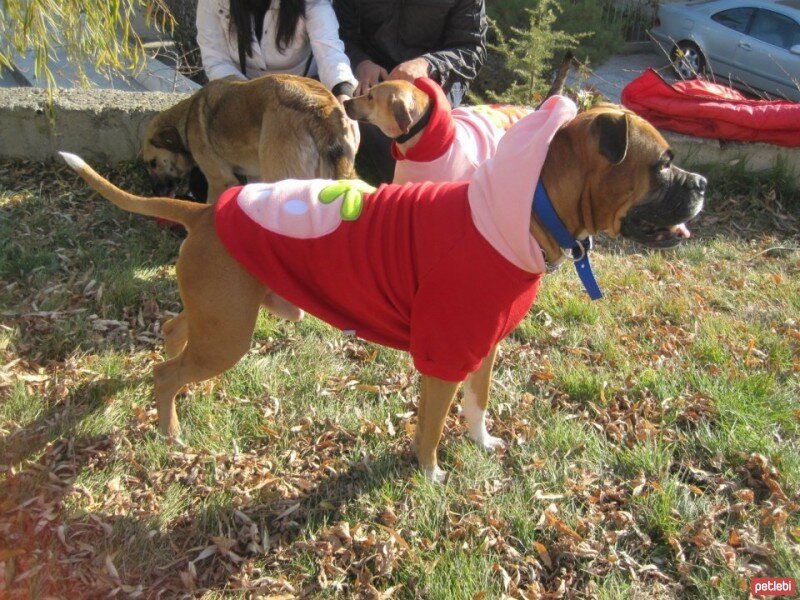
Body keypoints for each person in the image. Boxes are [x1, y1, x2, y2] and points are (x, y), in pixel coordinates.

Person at [334, 0, 487, 182]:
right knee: (335, 109)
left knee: (416, 145)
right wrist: (360, 62)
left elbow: (472, 49)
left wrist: (428, 64)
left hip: (437, 78)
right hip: (374, 75)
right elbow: (339, 34)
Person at [196, 0, 358, 101]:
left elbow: (330, 52)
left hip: (304, 97)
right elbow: (215, 59)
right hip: (238, 95)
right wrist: (250, 98)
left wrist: (343, 94)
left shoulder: (314, 3)